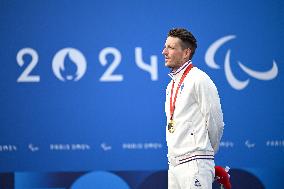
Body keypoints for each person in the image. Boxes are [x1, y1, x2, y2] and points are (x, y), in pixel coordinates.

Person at [162, 28, 224, 189]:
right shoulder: (171, 85)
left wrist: (206, 154)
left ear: (186, 53)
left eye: (171, 47)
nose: (164, 52)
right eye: (165, 47)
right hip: (174, 166)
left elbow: (215, 121)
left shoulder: (199, 79)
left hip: (195, 164)